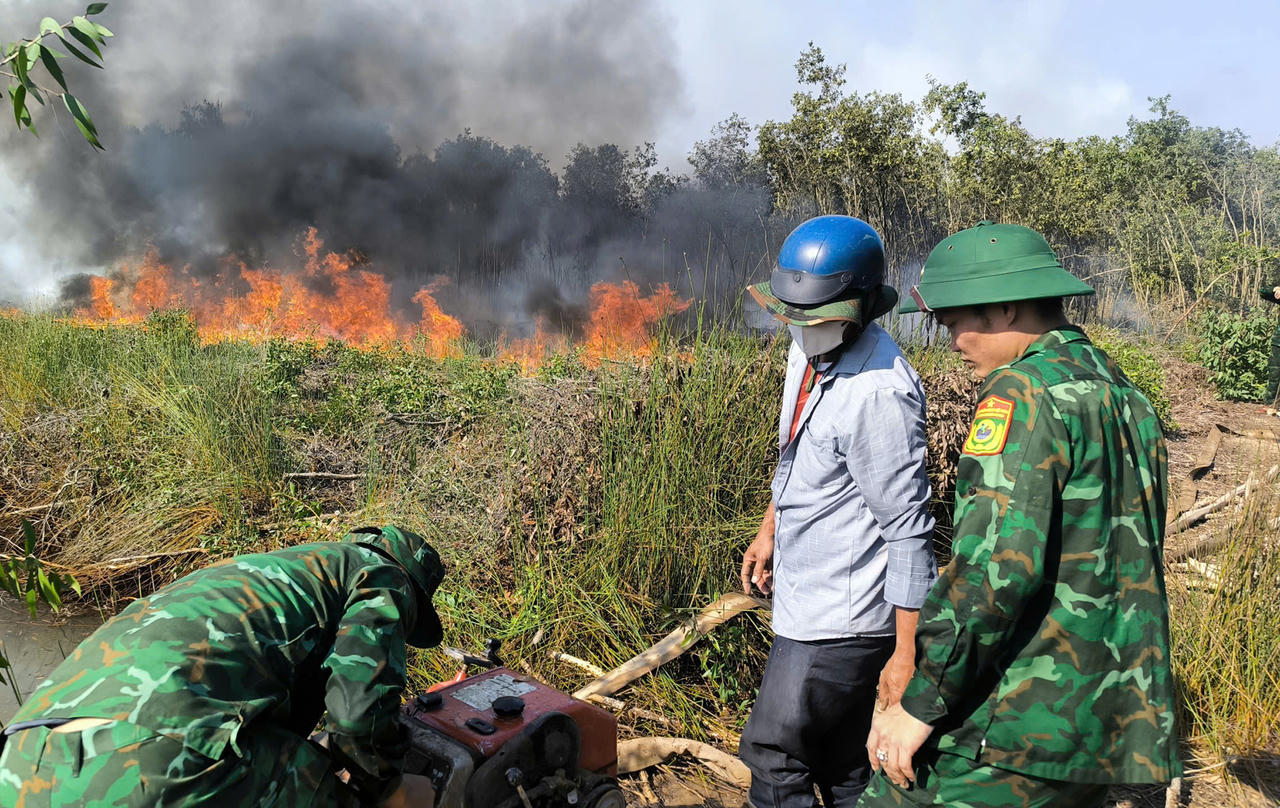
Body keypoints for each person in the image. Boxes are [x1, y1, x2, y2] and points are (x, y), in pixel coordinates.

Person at [859, 221, 1180, 807]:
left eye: (955, 323)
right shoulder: (1123, 394)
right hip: (1101, 726)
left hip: (1012, 727)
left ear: (1005, 307)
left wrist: (919, 704)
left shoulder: (1021, 394)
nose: (953, 341)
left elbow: (991, 573)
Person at [0, 525, 443, 808]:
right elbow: (357, 715)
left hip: (25, 757)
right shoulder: (383, 574)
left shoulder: (275, 570)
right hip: (156, 754)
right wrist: (388, 789)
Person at [739, 215, 939, 807]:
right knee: (846, 762)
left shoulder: (878, 393)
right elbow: (795, 455)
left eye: (819, 317)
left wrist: (905, 655)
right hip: (805, 593)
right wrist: (769, 527)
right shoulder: (807, 355)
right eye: (794, 316)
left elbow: (908, 532)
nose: (803, 329)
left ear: (861, 308)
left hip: (841, 619)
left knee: (776, 754)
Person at [1260, 284, 1280, 406]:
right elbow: (1262, 292)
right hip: (1279, 343)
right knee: (1275, 373)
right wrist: (1275, 289)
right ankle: (1270, 404)